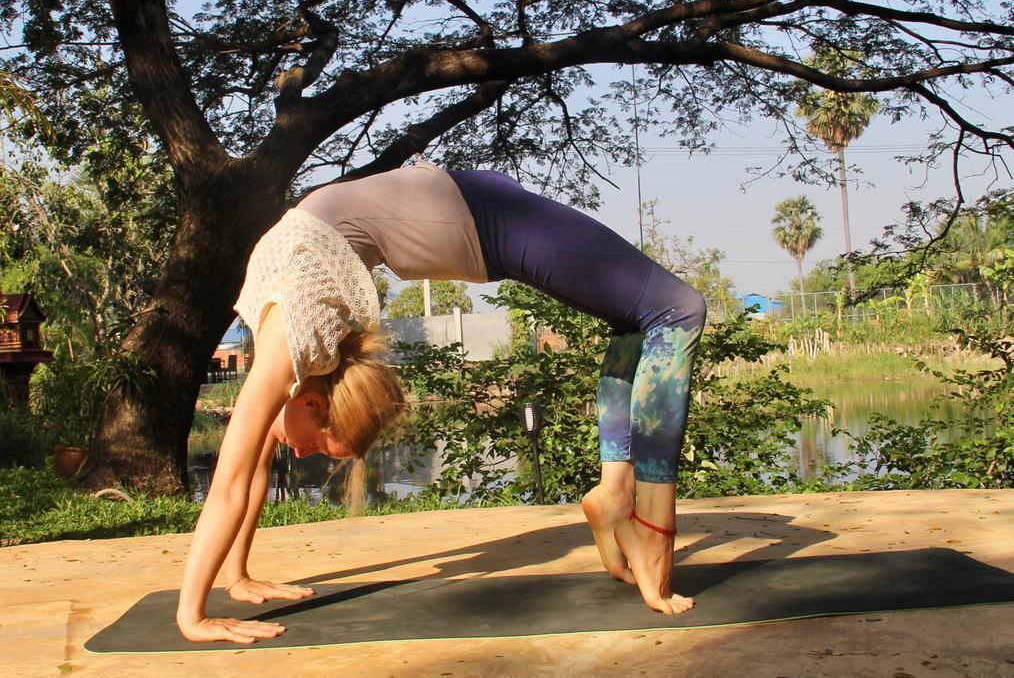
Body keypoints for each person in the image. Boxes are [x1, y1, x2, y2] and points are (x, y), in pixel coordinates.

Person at [176, 162, 706, 643]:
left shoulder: (290, 346)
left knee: (678, 310)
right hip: (463, 210)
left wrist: (191, 617)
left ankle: (653, 527)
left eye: (313, 446)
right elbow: (250, 471)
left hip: (483, 217)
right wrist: (237, 576)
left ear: (313, 404)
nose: (299, 452)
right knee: (636, 320)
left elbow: (225, 487)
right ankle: (615, 496)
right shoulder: (288, 352)